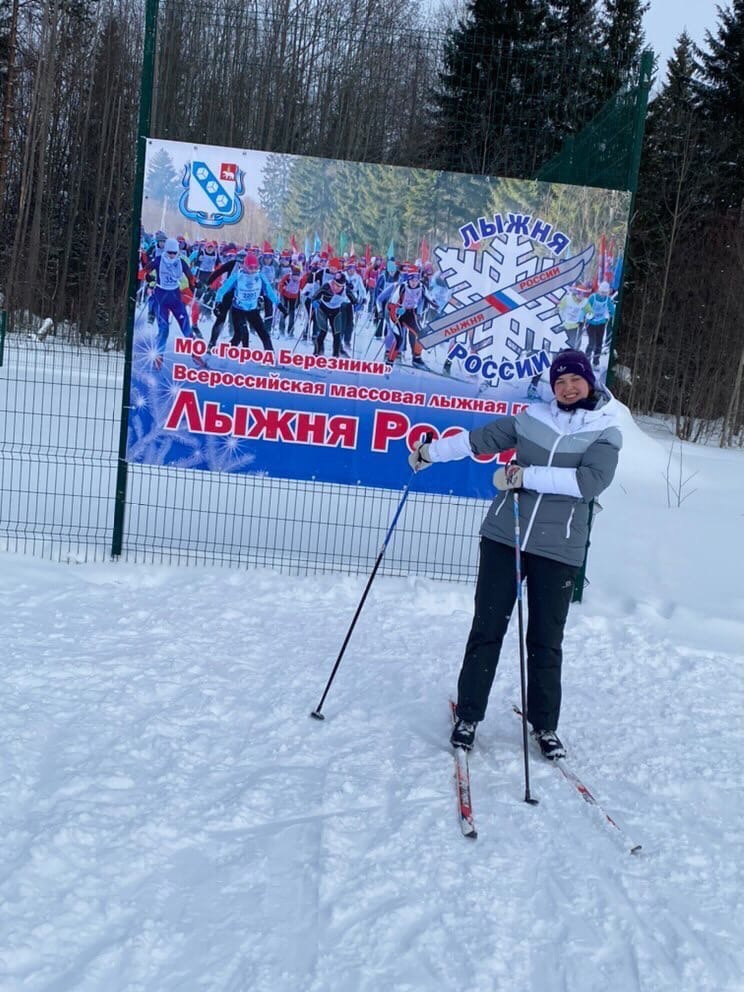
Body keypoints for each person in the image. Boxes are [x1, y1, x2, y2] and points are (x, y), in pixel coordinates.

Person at [408, 349, 623, 759]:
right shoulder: (532, 419)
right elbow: (480, 440)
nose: (568, 388)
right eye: (560, 382)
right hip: (506, 536)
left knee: (545, 640)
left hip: (558, 548)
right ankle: (469, 715)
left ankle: (544, 726)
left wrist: (525, 475)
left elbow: (589, 482)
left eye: (575, 380)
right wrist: (430, 453)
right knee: (486, 629)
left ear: (589, 382)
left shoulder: (607, 429)